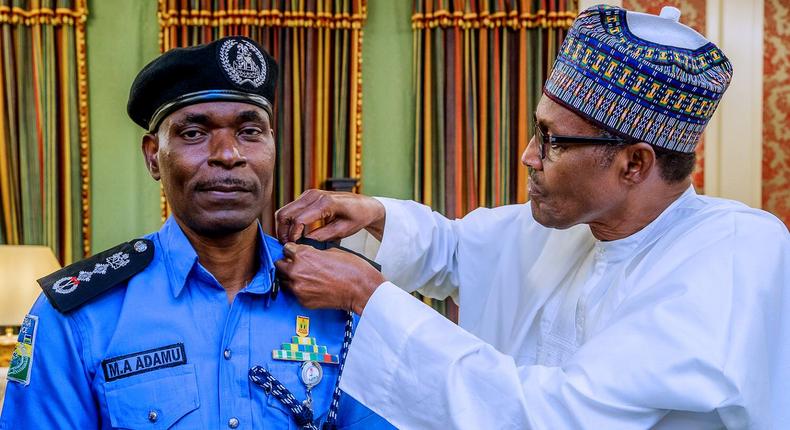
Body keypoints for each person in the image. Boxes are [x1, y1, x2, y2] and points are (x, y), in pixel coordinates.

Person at [274, 6, 790, 429]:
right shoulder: (575, 226)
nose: (528, 156)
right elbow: (458, 250)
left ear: (634, 163)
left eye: (553, 141)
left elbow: (556, 417)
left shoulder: (735, 252)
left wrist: (368, 296)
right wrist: (373, 213)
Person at [0, 36, 392, 430]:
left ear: (273, 145)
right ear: (154, 156)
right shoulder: (80, 314)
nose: (227, 153)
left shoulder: (340, 301)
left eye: (250, 131)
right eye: (193, 133)